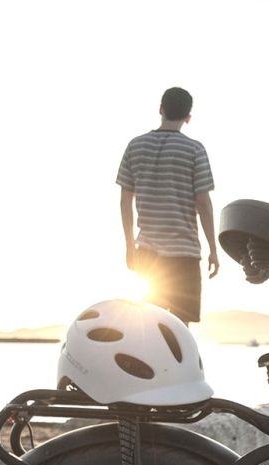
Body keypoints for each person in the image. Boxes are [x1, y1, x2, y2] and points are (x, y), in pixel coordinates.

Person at [117, 87, 218, 324]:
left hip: (148, 252)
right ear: (188, 117)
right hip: (185, 252)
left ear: (161, 109)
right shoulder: (195, 150)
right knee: (181, 327)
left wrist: (129, 245)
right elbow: (203, 203)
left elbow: (124, 201)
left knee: (150, 324)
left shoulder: (135, 146)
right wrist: (213, 248)